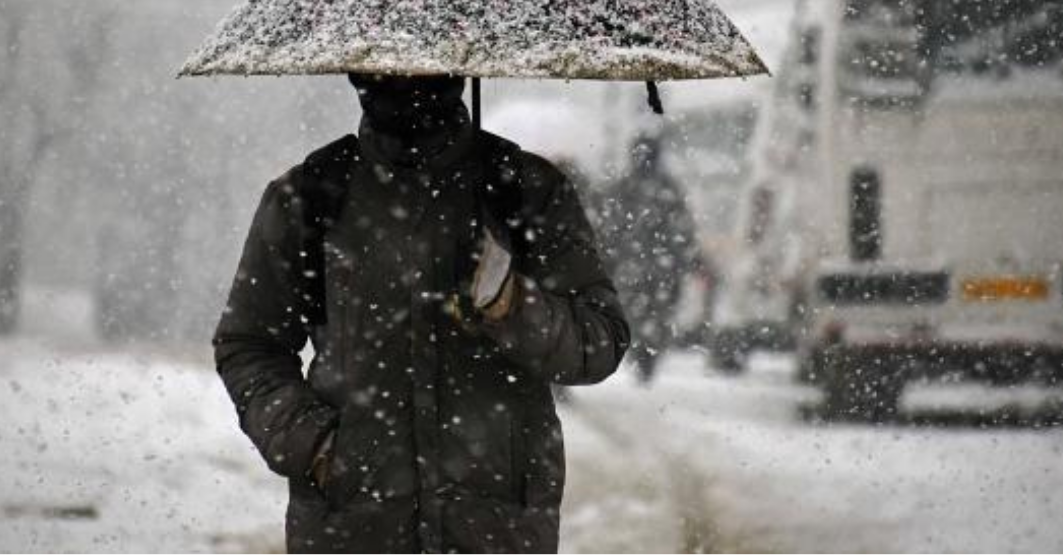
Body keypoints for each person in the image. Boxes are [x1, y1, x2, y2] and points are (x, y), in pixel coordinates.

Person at [213, 73, 630, 553]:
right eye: (385, 66)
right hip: (352, 529)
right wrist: (317, 446)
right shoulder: (311, 196)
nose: (407, 81)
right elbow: (249, 344)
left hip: (496, 531)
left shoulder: (525, 191)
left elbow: (600, 342)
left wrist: (513, 304)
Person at [602, 133, 700, 384]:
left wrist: (609, 260)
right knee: (656, 315)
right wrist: (683, 260)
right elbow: (683, 230)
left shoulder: (622, 189)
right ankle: (647, 353)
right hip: (659, 270)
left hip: (634, 269)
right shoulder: (668, 189)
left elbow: (609, 231)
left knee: (637, 314)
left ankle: (642, 352)